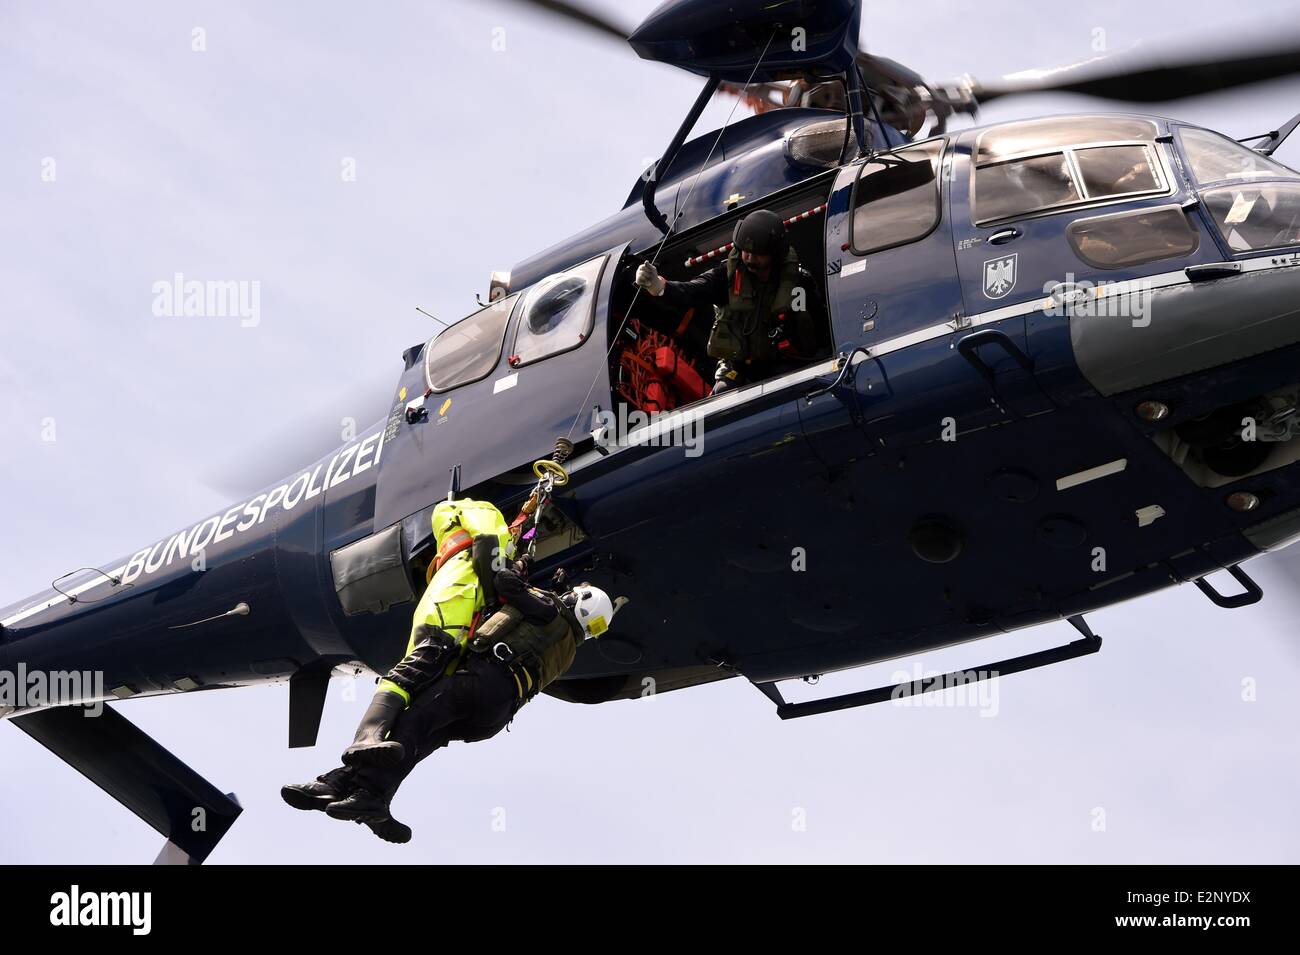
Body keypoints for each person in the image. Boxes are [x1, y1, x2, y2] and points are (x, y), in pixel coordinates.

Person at [281, 498, 618, 842]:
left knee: (411, 720)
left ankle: (365, 776)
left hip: (478, 684)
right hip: (492, 718)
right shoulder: (568, 651)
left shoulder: (547, 609)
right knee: (417, 740)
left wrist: (517, 572)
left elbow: (504, 585)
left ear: (579, 603)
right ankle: (351, 789)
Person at [634, 208, 822, 392]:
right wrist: (658, 286)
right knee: (722, 393)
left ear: (775, 254)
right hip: (738, 365)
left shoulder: (799, 282)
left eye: (757, 253)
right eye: (745, 251)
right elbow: (691, 291)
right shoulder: (726, 277)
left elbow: (821, 324)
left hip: (784, 362)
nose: (749, 257)